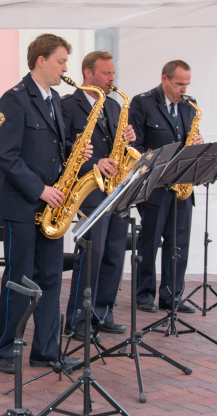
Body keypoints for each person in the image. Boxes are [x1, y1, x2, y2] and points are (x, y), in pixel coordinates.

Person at [0, 33, 91, 374]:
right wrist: (40, 190)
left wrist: (76, 151)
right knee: (21, 278)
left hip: (52, 206)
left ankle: (45, 350)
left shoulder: (55, 100)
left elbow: (55, 147)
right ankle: (6, 349)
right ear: (41, 61)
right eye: (61, 61)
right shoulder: (14, 99)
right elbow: (4, 155)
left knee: (49, 277)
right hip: (23, 203)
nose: (66, 68)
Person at [62, 51, 136, 340]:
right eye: (106, 74)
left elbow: (118, 145)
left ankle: (103, 312)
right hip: (89, 190)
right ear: (88, 74)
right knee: (91, 255)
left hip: (115, 188)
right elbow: (63, 147)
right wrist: (93, 164)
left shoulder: (115, 107)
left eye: (112, 74)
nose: (111, 79)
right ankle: (78, 319)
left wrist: (130, 138)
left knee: (114, 253)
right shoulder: (67, 105)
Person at [129, 60, 203, 314]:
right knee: (150, 242)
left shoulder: (189, 106)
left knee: (179, 242)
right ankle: (145, 294)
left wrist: (198, 144)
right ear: (165, 79)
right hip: (154, 187)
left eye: (186, 85)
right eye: (179, 84)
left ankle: (172, 295)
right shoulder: (143, 103)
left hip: (181, 186)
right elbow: (133, 146)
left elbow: (189, 143)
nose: (183, 90)